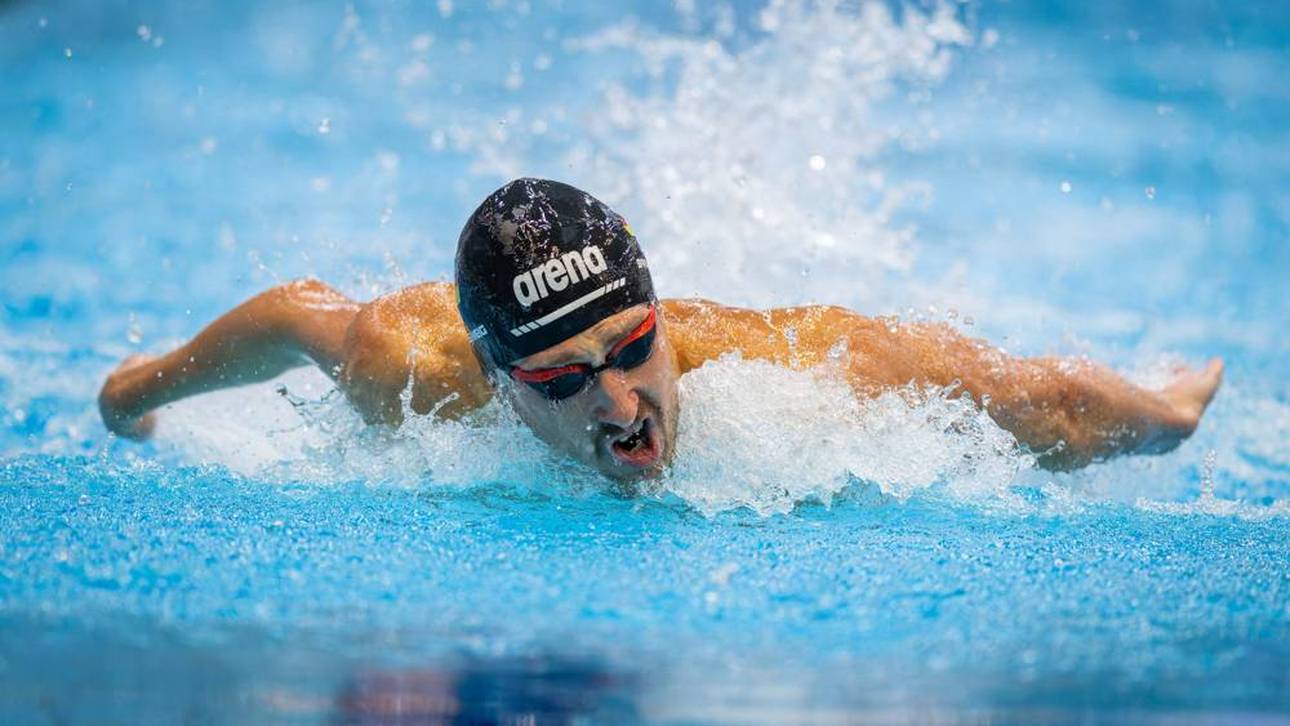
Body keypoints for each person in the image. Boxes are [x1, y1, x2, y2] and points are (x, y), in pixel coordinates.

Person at [98, 178, 1223, 479]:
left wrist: (1163, 412)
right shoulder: (412, 370)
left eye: (635, 349)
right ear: (495, 379)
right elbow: (300, 314)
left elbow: (1042, 403)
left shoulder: (782, 371)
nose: (624, 411)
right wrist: (136, 392)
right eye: (560, 380)